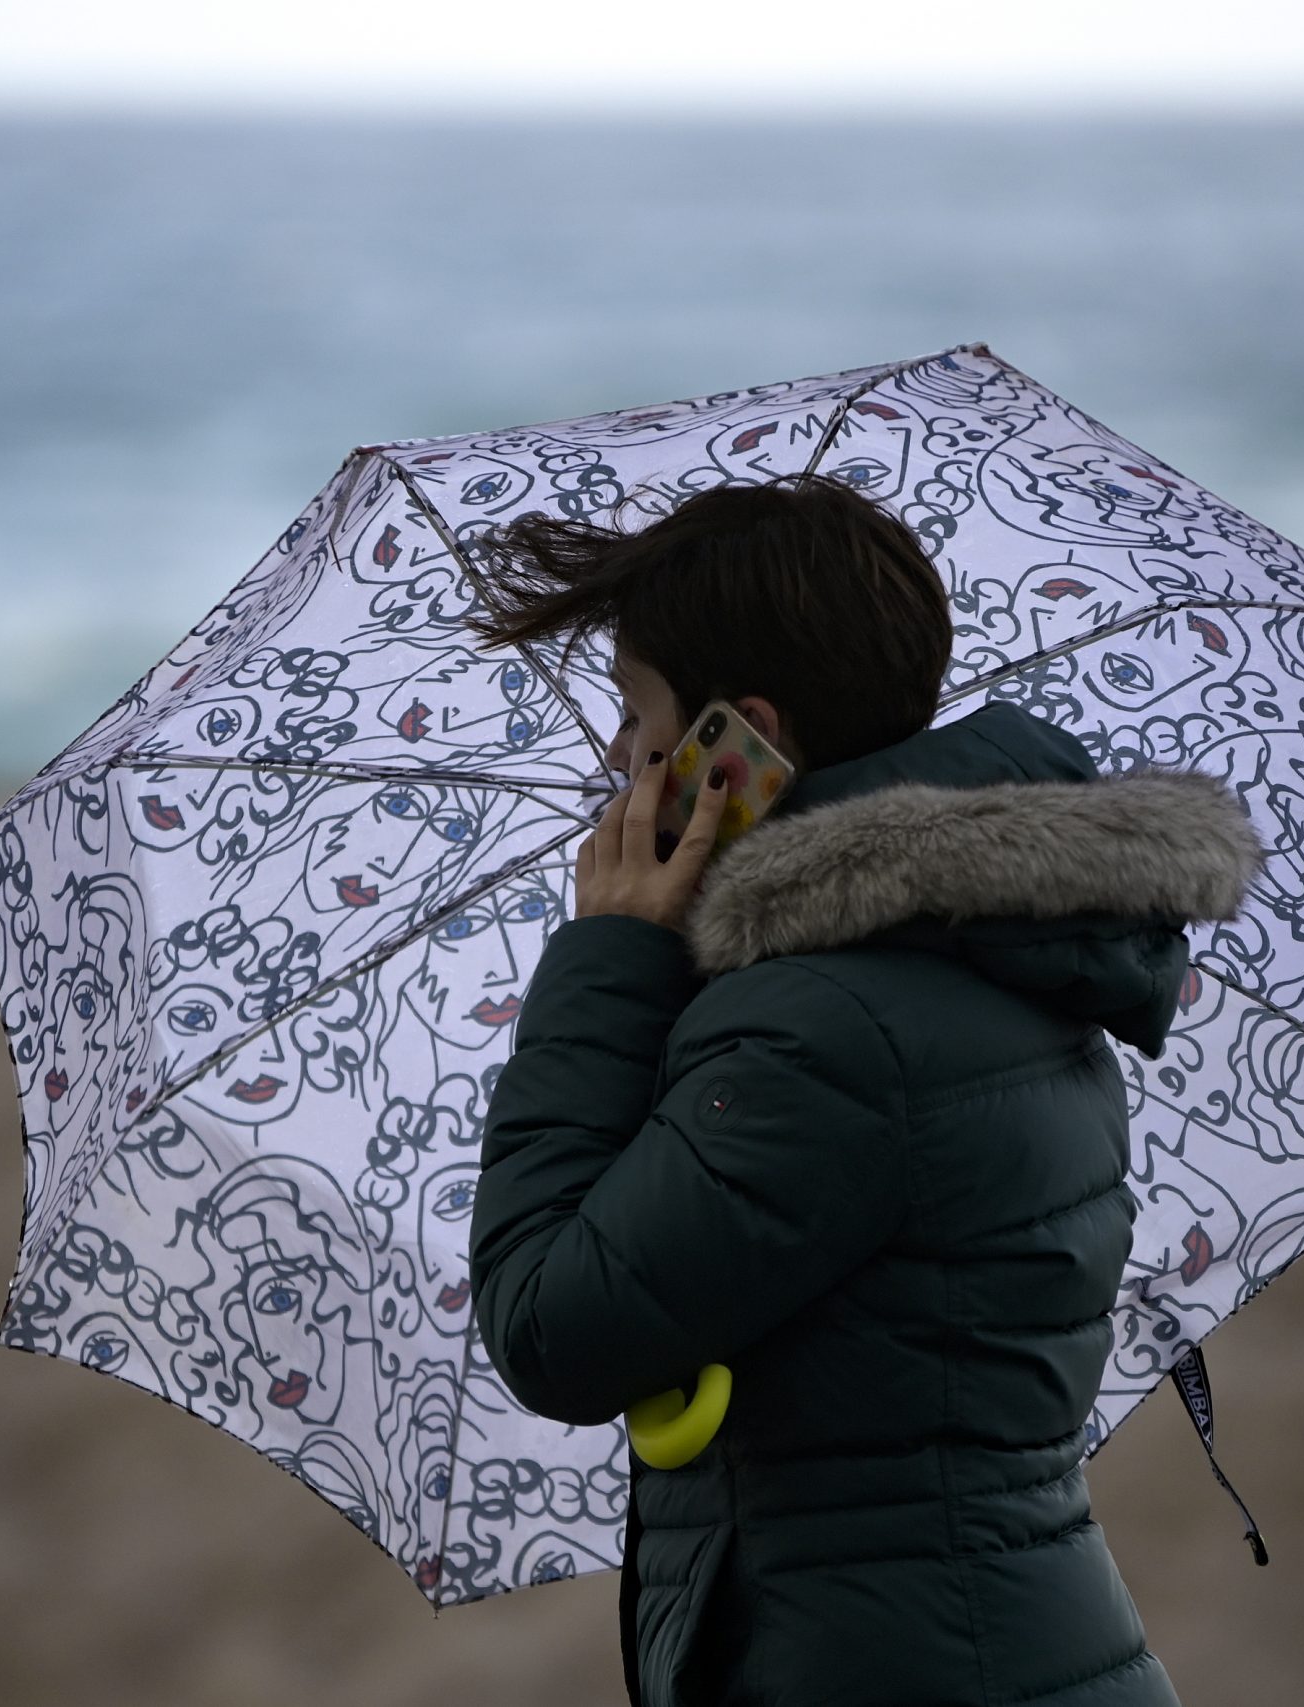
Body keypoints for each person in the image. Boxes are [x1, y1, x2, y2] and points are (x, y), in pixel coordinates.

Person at [463, 473, 1263, 1707]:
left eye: (638, 714)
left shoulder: (824, 1027)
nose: (618, 760)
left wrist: (610, 956)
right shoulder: (972, 942)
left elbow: (553, 1325)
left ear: (740, 745)